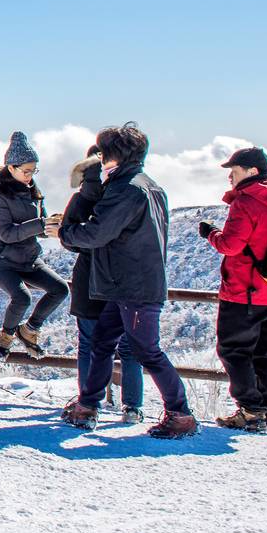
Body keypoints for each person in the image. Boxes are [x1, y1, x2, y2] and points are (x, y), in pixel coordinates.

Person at [59, 124, 198, 439]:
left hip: (133, 289)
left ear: (112, 156)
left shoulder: (125, 190)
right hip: (129, 286)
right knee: (103, 343)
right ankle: (87, 406)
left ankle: (180, 414)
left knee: (148, 350)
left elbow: (97, 232)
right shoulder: (150, 186)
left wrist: (65, 233)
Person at [199, 147, 267, 433]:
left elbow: (230, 245)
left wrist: (211, 233)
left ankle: (250, 410)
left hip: (245, 293)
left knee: (233, 350)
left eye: (235, 169)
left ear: (252, 171)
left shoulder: (246, 202)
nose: (230, 175)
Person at [61, 151, 145, 422]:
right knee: (129, 347)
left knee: (89, 345)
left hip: (88, 280)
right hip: (123, 279)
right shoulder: (126, 194)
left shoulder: (84, 198)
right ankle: (132, 407)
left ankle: (89, 405)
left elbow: (69, 239)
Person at [0, 132, 68, 362]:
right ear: (11, 167)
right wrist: (40, 224)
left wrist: (52, 225)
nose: (30, 176)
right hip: (1, 259)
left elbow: (39, 222)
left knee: (60, 290)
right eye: (26, 171)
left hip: (29, 258)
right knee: (22, 297)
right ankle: (5, 338)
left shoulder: (30, 188)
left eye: (33, 171)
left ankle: (29, 330)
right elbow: (6, 233)